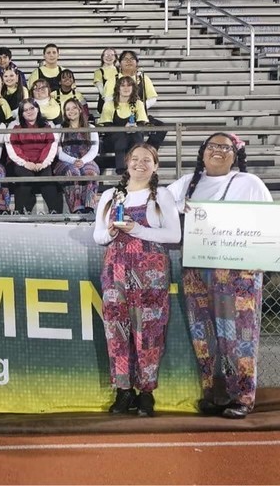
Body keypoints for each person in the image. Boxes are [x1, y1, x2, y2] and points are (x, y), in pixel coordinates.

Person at [167, 133, 273, 420]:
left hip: (238, 273)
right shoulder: (188, 183)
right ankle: (215, 393)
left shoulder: (249, 184)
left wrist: (263, 260)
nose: (217, 151)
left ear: (235, 154)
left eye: (225, 147)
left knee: (239, 335)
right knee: (204, 334)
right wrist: (177, 208)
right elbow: (160, 205)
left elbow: (271, 223)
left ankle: (243, 396)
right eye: (212, 146)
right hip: (196, 270)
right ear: (202, 153)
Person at [94, 143, 181, 417]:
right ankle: (123, 391)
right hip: (115, 270)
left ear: (155, 166)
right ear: (127, 163)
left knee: (149, 332)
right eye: (135, 159)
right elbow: (97, 236)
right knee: (117, 331)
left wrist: (137, 229)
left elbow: (173, 235)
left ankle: (146, 392)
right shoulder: (111, 195)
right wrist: (110, 232)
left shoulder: (162, 196)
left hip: (150, 273)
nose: (140, 164)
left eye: (147, 160)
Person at [5, 99, 62, 214]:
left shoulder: (48, 125)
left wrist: (42, 163)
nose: (29, 112)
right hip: (21, 162)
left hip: (42, 162)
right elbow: (13, 148)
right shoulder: (14, 126)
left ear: (37, 109)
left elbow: (51, 145)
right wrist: (26, 163)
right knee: (26, 177)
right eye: (25, 110)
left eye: (32, 108)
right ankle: (19, 210)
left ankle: (54, 211)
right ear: (21, 113)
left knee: (47, 177)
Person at [107, 50, 165, 149]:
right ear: (120, 63)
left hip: (139, 115)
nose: (129, 61)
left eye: (132, 59)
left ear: (137, 63)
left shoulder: (143, 78)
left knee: (161, 127)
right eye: (125, 59)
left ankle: (148, 151)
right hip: (119, 117)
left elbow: (152, 98)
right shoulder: (113, 79)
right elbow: (108, 99)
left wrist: (139, 107)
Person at [54, 99, 100, 214]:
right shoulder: (59, 128)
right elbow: (58, 151)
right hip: (65, 161)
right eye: (68, 109)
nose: (71, 111)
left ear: (80, 110)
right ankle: (76, 208)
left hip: (86, 159)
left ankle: (89, 207)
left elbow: (94, 149)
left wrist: (83, 161)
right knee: (73, 172)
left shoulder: (91, 128)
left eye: (74, 108)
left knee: (91, 172)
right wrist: (73, 160)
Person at [98, 76, 150, 175]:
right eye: (123, 85)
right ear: (118, 88)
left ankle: (137, 168)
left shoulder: (138, 104)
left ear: (133, 88)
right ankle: (121, 170)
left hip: (132, 138)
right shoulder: (109, 104)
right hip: (112, 140)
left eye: (129, 85)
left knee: (137, 135)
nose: (126, 88)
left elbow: (142, 124)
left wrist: (135, 128)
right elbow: (106, 127)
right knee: (121, 135)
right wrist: (123, 129)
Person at [93, 48, 119, 114]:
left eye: (112, 55)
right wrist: (109, 101)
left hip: (119, 103)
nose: (109, 57)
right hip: (105, 103)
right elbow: (101, 90)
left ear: (115, 57)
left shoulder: (120, 70)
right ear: (102, 57)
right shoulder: (98, 72)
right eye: (107, 55)